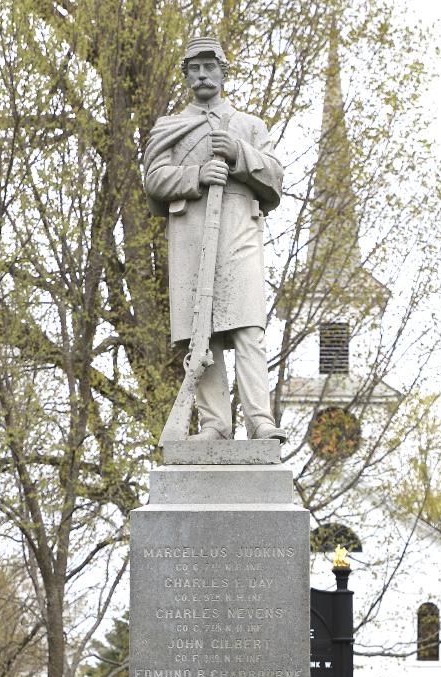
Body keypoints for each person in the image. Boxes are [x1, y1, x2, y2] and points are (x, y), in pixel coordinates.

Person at [144, 36, 286, 441]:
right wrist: (196, 176)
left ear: (224, 72)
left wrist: (239, 154)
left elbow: (275, 179)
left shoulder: (249, 127)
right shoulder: (169, 127)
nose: (203, 74)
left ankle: (260, 420)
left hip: (239, 233)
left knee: (247, 329)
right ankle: (215, 424)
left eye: (210, 67)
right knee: (200, 335)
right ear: (186, 75)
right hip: (191, 240)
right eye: (194, 68)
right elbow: (153, 180)